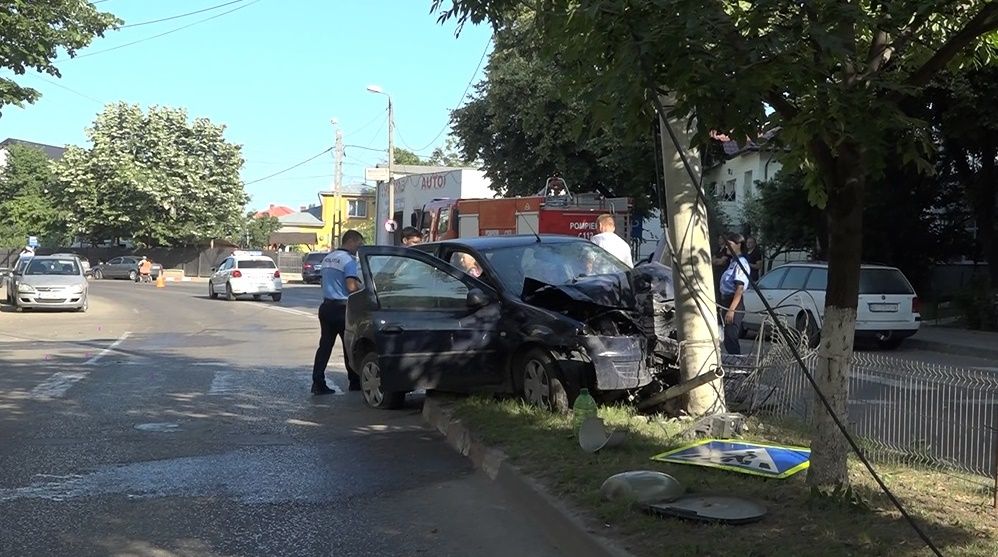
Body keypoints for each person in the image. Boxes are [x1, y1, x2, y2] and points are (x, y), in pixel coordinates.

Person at [311, 230, 365, 395]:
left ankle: (318, 383)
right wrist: (362, 290)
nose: (359, 248)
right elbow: (350, 286)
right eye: (359, 244)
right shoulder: (349, 260)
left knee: (325, 347)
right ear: (352, 241)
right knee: (349, 346)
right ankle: (354, 382)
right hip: (343, 308)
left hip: (326, 307)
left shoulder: (328, 258)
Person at [719, 233, 750, 355]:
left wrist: (731, 310)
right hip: (726, 301)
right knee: (727, 338)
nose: (726, 247)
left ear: (738, 245)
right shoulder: (733, 262)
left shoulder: (741, 263)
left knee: (731, 337)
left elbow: (739, 288)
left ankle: (737, 365)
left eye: (730, 244)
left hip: (734, 302)